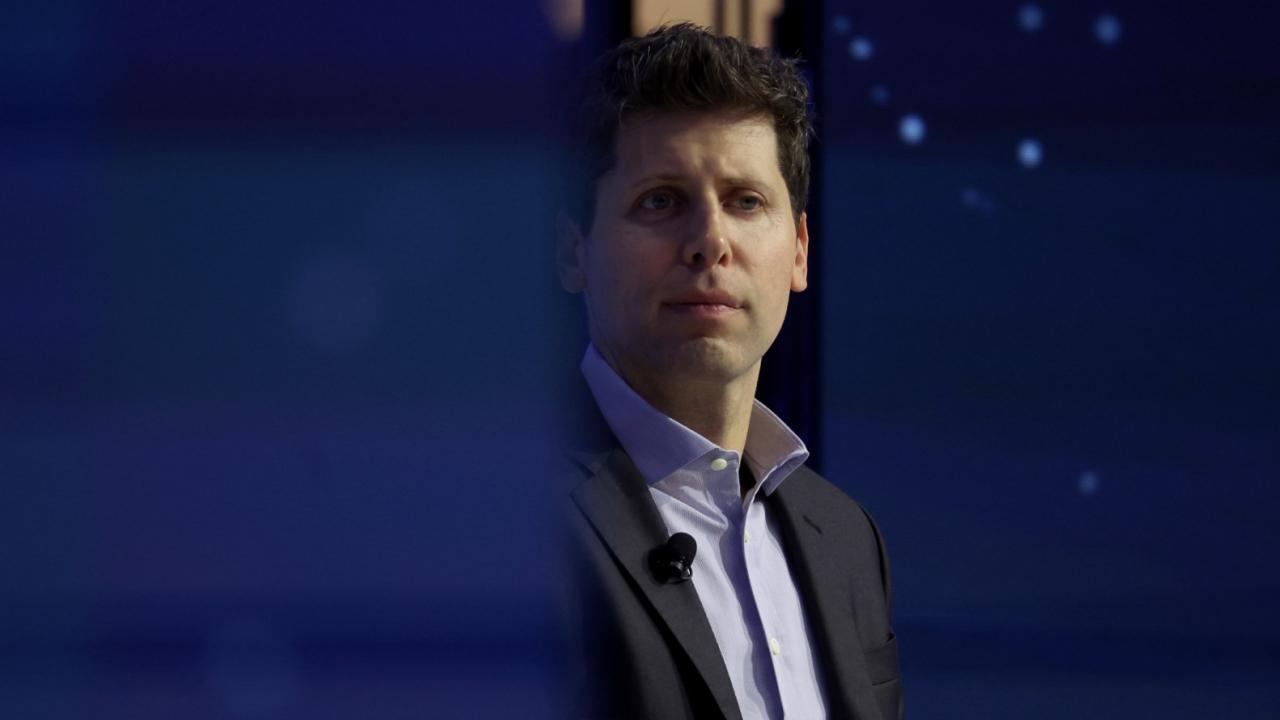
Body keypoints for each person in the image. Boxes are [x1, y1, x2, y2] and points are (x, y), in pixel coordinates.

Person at [555, 23, 903, 720]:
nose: (710, 242)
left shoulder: (846, 537)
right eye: (661, 200)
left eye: (746, 201)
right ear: (573, 251)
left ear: (799, 249)